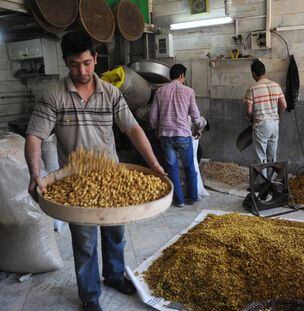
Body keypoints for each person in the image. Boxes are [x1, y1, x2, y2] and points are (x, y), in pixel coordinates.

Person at [24, 31, 165, 311]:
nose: (82, 70)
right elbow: (34, 137)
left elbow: (133, 128)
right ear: (66, 62)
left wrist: (155, 165)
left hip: (112, 176)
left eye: (87, 63)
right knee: (85, 242)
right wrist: (35, 173)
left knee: (115, 234)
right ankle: (89, 295)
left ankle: (113, 276)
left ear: (95, 59)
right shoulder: (53, 96)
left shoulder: (111, 93)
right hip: (75, 181)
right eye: (75, 65)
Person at [149, 64, 201, 207]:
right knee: (189, 167)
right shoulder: (189, 91)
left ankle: (179, 200)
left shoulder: (160, 92)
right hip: (183, 135)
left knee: (172, 169)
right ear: (181, 76)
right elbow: (195, 116)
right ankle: (193, 197)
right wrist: (198, 128)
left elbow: (153, 117)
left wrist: (155, 128)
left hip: (165, 136)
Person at [243, 59, 287, 178]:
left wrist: (251, 118)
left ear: (253, 74)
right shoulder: (276, 85)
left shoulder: (252, 89)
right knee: (272, 155)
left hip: (261, 124)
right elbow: (284, 105)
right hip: (274, 124)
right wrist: (277, 115)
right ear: (264, 71)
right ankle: (271, 182)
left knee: (260, 156)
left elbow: (248, 111)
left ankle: (262, 183)